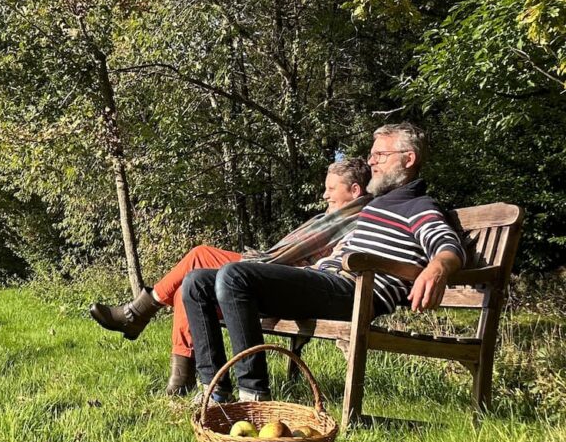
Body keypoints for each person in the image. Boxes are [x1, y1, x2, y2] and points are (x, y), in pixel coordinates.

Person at [183, 123, 465, 403]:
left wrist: (438, 267)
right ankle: (216, 391)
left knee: (235, 276)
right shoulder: (380, 205)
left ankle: (253, 396)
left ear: (409, 158)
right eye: (371, 154)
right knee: (197, 282)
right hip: (331, 282)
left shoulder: (418, 206)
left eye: (380, 155)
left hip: (356, 292)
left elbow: (446, 245)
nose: (371, 162)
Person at [89, 157, 371, 394]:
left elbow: (325, 266)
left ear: (355, 190)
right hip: (279, 273)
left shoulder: (359, 219)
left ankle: (139, 314)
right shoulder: (335, 218)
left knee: (199, 256)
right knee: (190, 282)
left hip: (288, 281)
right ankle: (179, 376)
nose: (325, 195)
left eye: (331, 188)